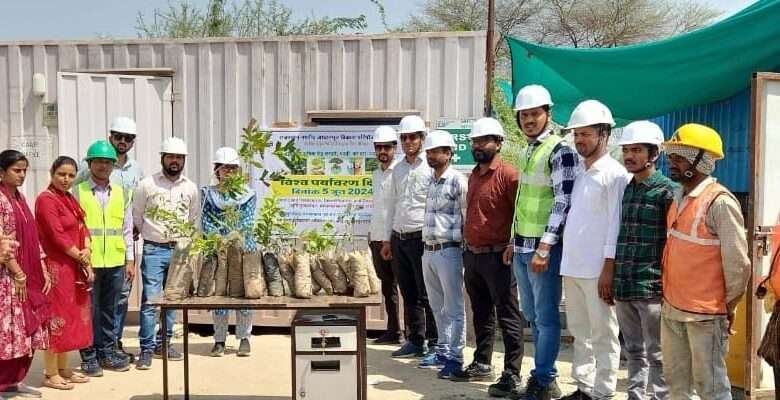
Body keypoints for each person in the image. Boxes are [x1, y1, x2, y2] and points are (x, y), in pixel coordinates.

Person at [661, 123, 750, 399]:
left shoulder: (720, 203)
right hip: (672, 310)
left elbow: (739, 267)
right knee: (677, 387)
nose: (671, 164)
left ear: (701, 160)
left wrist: (725, 306)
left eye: (678, 157)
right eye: (671, 157)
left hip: (704, 316)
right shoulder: (679, 197)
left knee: (711, 388)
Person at [508, 85, 578, 399]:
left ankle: (546, 378)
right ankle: (540, 376)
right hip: (523, 246)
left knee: (547, 317)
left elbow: (563, 201)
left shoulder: (560, 150)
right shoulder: (527, 151)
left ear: (548, 114)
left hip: (542, 250)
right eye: (524, 115)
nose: (529, 120)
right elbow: (524, 200)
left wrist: (546, 246)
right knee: (533, 316)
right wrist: (513, 240)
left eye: (535, 114)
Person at [559, 100, 630, 400]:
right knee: (580, 331)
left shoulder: (615, 175)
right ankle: (584, 387)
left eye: (586, 134)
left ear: (604, 134)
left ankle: (603, 391)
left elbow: (616, 223)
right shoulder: (580, 173)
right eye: (576, 134)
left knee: (603, 333)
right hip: (573, 266)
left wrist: (609, 267)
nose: (579, 140)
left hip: (597, 269)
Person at [455, 117, 525, 398]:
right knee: (481, 313)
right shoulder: (473, 175)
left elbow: (519, 213)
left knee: (508, 315)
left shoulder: (509, 175)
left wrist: (513, 243)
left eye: (484, 141)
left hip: (499, 257)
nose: (478, 145)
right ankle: (482, 362)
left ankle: (512, 372)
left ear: (498, 143)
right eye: (474, 141)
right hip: (472, 256)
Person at [611, 121, 675, 400]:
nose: (629, 156)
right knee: (633, 351)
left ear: (654, 154)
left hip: (651, 288)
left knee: (658, 352)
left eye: (636, 150)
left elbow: (673, 243)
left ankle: (661, 396)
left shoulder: (667, 191)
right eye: (626, 149)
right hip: (625, 286)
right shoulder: (627, 189)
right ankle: (635, 395)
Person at [76, 116, 143, 362]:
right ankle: (89, 354)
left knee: (111, 308)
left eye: (107, 162)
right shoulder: (79, 188)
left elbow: (126, 227)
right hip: (89, 259)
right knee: (89, 309)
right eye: (99, 162)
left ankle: (109, 350)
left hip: (115, 258)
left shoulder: (125, 185)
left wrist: (130, 259)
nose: (103, 166)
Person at [133, 137, 198, 369]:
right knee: (151, 301)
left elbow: (192, 219)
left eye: (179, 157)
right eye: (170, 156)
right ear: (162, 158)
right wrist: (153, 236)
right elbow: (137, 216)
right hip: (153, 249)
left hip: (180, 251)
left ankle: (165, 343)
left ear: (183, 160)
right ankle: (146, 350)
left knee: (172, 300)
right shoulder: (147, 185)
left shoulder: (190, 187)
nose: (174, 161)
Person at [380, 115, 438, 358]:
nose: (408, 142)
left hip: (421, 238)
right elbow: (391, 205)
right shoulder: (399, 169)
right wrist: (386, 239)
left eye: (412, 137)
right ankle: (415, 340)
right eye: (403, 138)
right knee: (408, 292)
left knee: (428, 293)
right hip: (399, 237)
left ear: (422, 138)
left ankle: (435, 343)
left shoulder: (430, 166)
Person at [36, 156, 94, 390]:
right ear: (52, 173)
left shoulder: (68, 198)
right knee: (56, 319)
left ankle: (63, 368)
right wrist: (80, 256)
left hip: (73, 266)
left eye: (71, 175)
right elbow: (56, 235)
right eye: (61, 174)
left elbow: (83, 226)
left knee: (70, 317)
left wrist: (88, 249)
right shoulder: (45, 200)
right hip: (57, 268)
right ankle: (50, 373)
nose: (66, 179)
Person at [0, 150, 50, 399]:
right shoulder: (0, 200)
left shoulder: (18, 198)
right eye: (16, 170)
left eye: (24, 170)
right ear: (1, 172)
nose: (21, 175)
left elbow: (32, 237)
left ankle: (13, 382)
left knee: (25, 330)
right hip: (7, 278)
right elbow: (3, 243)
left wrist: (41, 267)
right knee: (9, 331)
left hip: (25, 276)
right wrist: (19, 274)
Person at [418, 130, 468, 379]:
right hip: (428, 251)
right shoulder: (431, 181)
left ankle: (455, 359)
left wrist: (465, 250)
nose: (431, 155)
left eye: (436, 151)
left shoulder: (458, 181)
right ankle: (443, 351)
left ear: (448, 153)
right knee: (437, 306)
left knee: (454, 308)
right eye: (428, 151)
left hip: (449, 251)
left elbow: (467, 217)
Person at [201, 147, 256, 358]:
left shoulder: (247, 194)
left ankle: (244, 338)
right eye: (225, 169)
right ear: (217, 170)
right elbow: (206, 221)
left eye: (233, 168)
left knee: (242, 294)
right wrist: (218, 240)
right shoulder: (209, 194)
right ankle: (219, 340)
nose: (229, 173)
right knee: (220, 294)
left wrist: (234, 238)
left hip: (242, 249)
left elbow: (247, 222)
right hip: (218, 250)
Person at [369, 126, 402, 345]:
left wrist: (390, 238)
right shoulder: (376, 174)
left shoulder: (399, 172)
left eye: (387, 147)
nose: (383, 151)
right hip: (377, 237)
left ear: (394, 148)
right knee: (387, 286)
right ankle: (393, 330)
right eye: (379, 147)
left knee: (408, 288)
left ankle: (416, 335)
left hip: (396, 239)